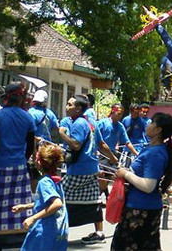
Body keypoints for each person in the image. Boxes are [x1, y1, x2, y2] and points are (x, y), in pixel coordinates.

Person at [112, 112, 172, 250]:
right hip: (140, 206)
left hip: (142, 209)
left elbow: (149, 185)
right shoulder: (151, 148)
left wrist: (126, 174)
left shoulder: (155, 153)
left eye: (151, 122)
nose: (147, 124)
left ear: (158, 130)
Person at [58, 94, 118, 245]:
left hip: (78, 168)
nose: (67, 107)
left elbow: (76, 145)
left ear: (78, 108)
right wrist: (112, 158)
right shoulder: (91, 122)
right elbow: (101, 143)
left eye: (70, 105)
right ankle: (99, 232)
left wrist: (62, 134)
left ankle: (56, 232)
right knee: (93, 200)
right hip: (92, 167)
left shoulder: (78, 123)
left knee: (59, 198)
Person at [0, 82, 36, 248]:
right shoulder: (28, 117)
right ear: (21, 97)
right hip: (19, 167)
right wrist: (22, 158)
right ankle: (18, 238)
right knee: (17, 204)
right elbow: (30, 146)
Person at [13, 144, 68, 251]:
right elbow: (47, 202)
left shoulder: (44, 182)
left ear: (38, 162)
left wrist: (33, 218)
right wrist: (26, 206)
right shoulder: (56, 180)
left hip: (44, 231)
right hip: (60, 231)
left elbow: (57, 203)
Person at [96, 104, 138, 198]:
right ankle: (106, 194)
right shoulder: (102, 123)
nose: (120, 116)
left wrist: (137, 154)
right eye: (119, 113)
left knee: (109, 176)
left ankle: (103, 194)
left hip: (112, 154)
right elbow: (96, 140)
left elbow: (127, 142)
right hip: (101, 153)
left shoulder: (120, 126)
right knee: (101, 174)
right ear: (113, 111)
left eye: (121, 114)